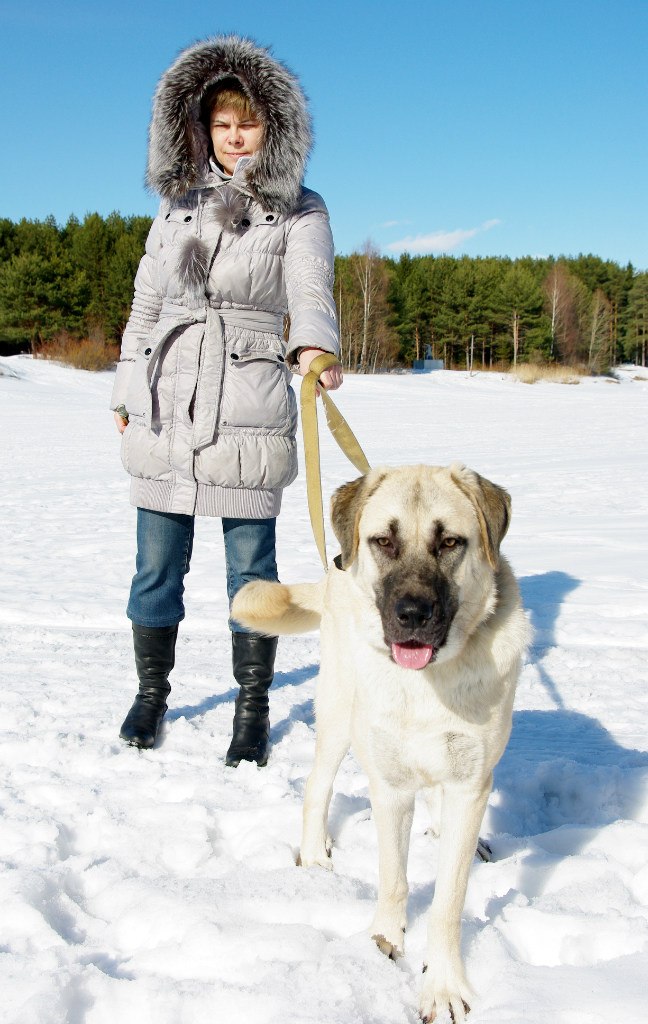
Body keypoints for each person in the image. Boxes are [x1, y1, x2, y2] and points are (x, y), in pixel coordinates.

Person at [110, 35, 341, 766]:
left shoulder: (300, 209)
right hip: (167, 396)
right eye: (221, 124)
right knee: (155, 568)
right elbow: (148, 301)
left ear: (273, 127)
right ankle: (152, 695)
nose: (234, 136)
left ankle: (253, 706)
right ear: (200, 129)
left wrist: (315, 345)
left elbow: (309, 288)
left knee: (253, 575)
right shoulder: (176, 204)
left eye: (248, 123)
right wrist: (124, 383)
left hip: (248, 394)